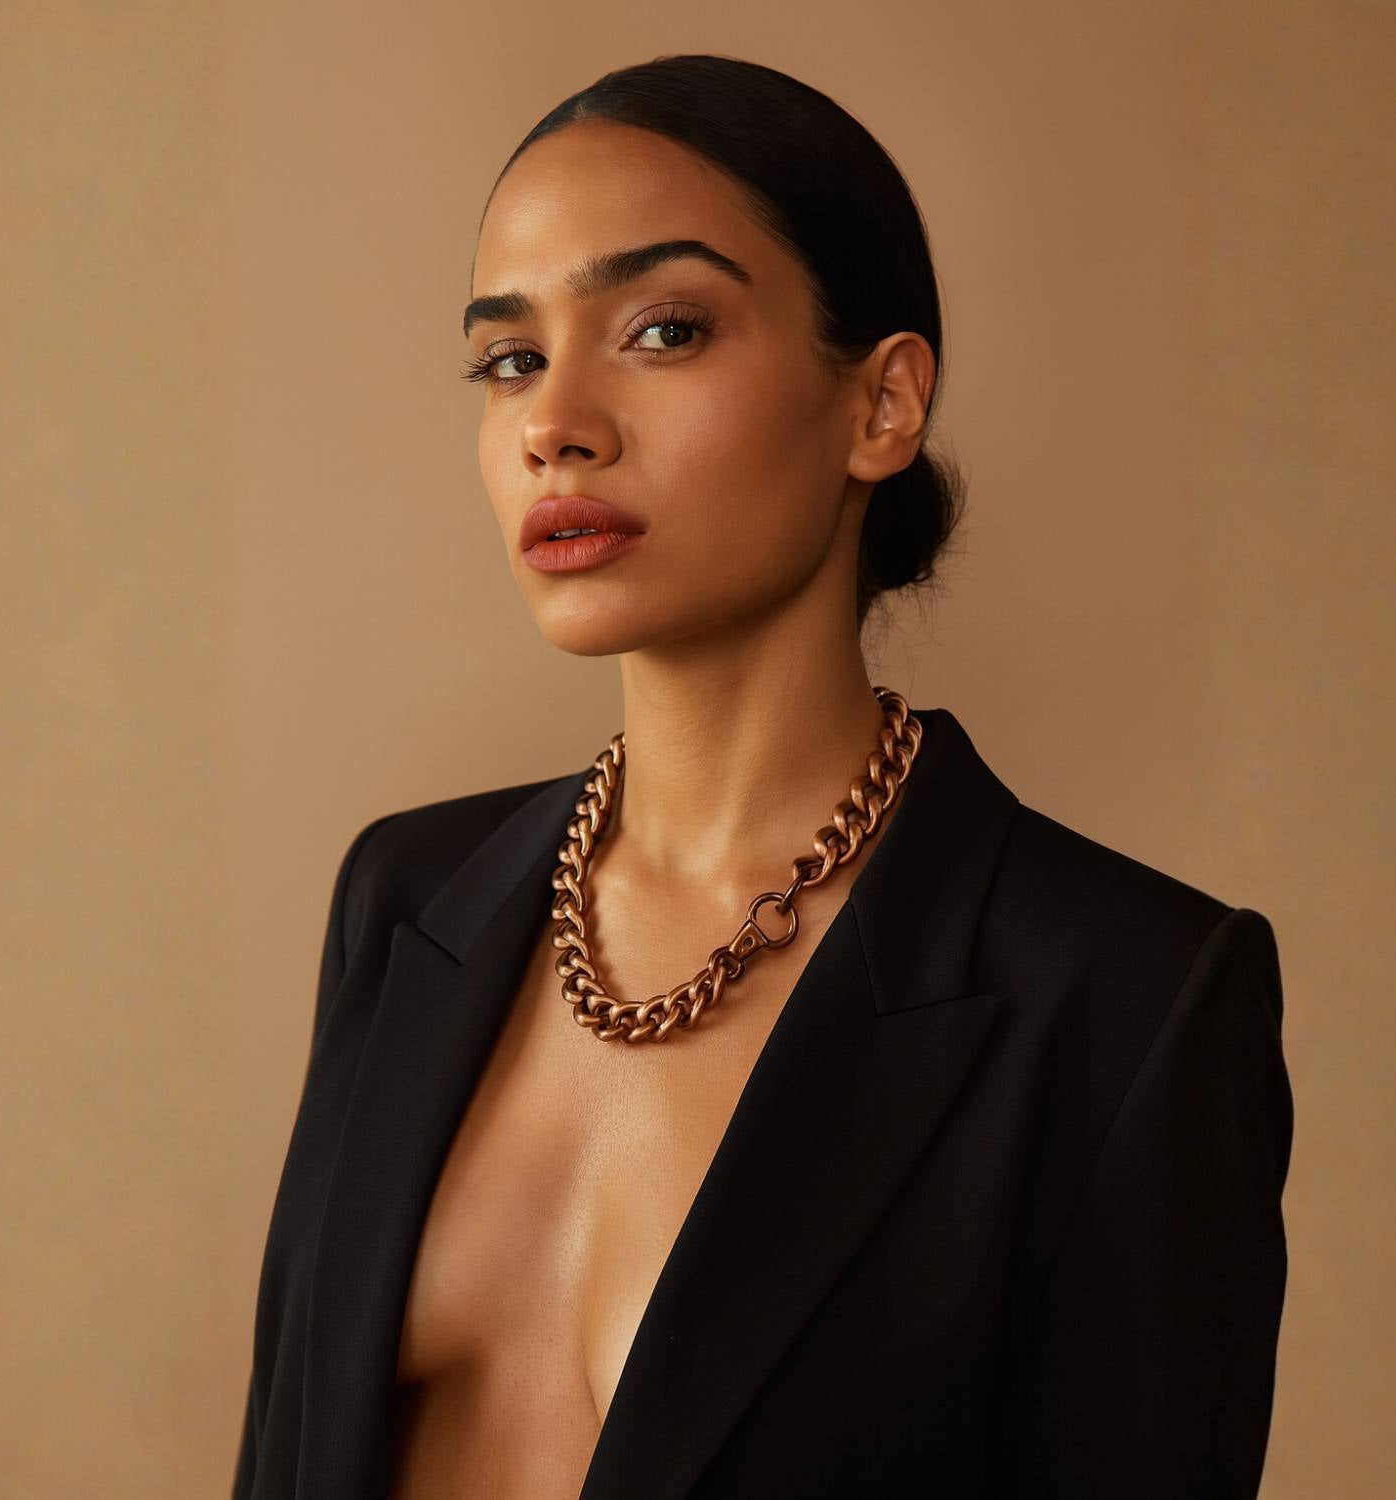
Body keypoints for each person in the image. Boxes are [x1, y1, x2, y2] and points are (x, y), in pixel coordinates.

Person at [231, 53, 1293, 1500]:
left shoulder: (1124, 1000)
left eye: (662, 330)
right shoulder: (408, 902)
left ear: (883, 406)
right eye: (509, 359)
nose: (557, 422)